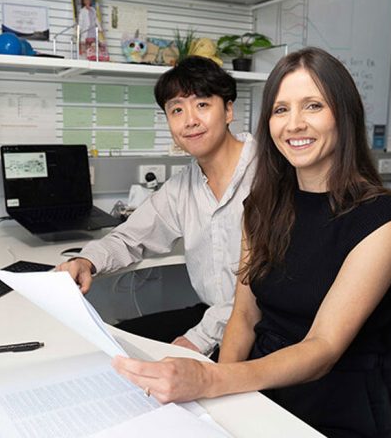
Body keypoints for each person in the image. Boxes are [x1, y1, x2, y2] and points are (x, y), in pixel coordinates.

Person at [112, 47, 391, 437]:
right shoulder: (263, 206)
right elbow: (244, 316)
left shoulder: (383, 217)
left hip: (331, 403)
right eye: (281, 110)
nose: (294, 124)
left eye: (313, 106)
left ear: (344, 113)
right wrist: (217, 405)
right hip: (257, 388)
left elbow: (322, 348)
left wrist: (211, 380)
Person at [57, 56, 257, 357]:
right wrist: (86, 261)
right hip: (212, 317)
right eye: (177, 110)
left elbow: (262, 289)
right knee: (111, 347)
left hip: (264, 327)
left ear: (228, 110)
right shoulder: (182, 187)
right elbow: (130, 237)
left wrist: (199, 338)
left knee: (150, 365)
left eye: (202, 104)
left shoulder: (268, 174)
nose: (190, 120)